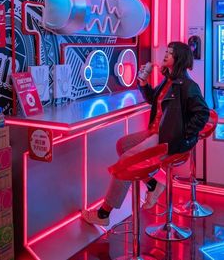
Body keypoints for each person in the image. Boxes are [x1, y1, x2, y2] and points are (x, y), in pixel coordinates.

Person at [82, 42, 210, 226]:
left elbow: (202, 113)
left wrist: (181, 134)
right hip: (155, 133)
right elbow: (153, 100)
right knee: (122, 145)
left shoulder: (187, 85)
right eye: (166, 51)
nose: (165, 55)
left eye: (170, 53)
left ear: (179, 59)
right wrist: (144, 83)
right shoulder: (169, 81)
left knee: (127, 161)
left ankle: (103, 214)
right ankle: (153, 184)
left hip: (166, 139)